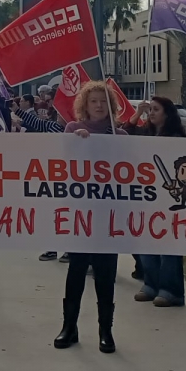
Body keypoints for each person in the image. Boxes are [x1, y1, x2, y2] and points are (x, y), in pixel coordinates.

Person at [53, 82, 126, 353]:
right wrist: (75, 144)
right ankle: (69, 327)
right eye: (94, 101)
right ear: (85, 105)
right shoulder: (73, 129)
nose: (98, 106)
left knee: (106, 274)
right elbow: (62, 164)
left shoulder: (119, 134)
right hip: (80, 212)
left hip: (107, 215)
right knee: (76, 270)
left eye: (103, 102)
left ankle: (105, 330)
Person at [135, 96, 186, 308]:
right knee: (147, 241)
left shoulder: (176, 137)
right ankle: (151, 284)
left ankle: (171, 290)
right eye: (151, 110)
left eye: (156, 109)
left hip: (169, 199)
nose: (152, 113)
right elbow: (123, 136)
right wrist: (137, 114)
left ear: (167, 113)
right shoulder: (145, 133)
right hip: (147, 197)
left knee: (168, 244)